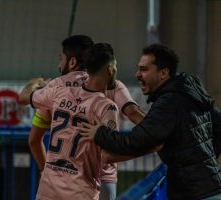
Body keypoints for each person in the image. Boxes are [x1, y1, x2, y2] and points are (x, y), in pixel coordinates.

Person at [79, 44, 221, 200]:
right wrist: (203, 162)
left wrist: (100, 133)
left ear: (163, 73)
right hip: (211, 187)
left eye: (144, 70)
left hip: (194, 193)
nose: (137, 74)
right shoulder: (190, 93)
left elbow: (135, 141)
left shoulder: (169, 102)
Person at [27, 35, 145, 200]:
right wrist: (153, 141)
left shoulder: (57, 89)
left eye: (61, 58)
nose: (59, 64)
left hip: (52, 183)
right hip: (89, 183)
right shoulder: (109, 102)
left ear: (75, 62)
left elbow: (33, 136)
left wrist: (33, 86)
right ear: (110, 69)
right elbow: (131, 114)